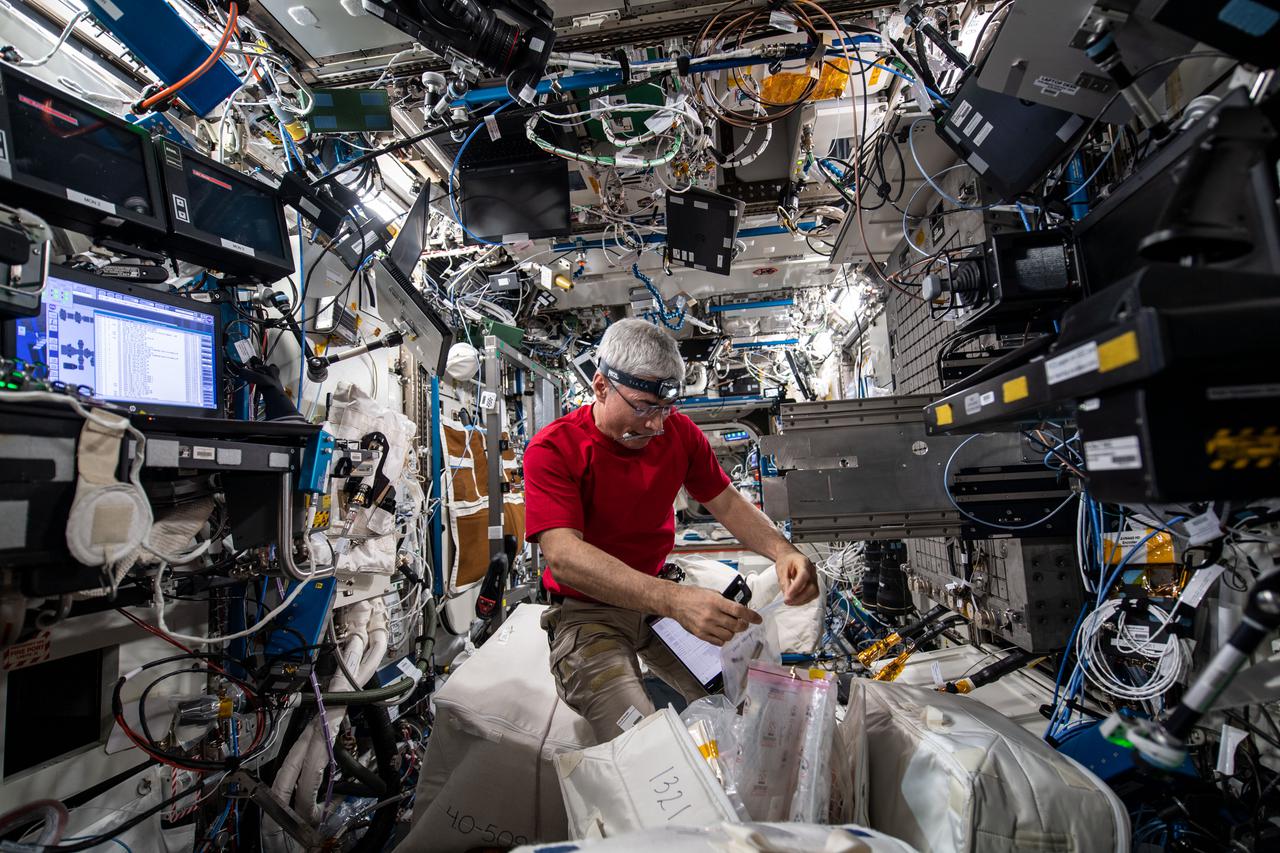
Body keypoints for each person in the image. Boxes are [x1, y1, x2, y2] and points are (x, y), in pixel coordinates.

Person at [523, 319, 820, 743]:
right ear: (601, 386)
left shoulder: (679, 434)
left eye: (666, 408)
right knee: (643, 740)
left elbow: (728, 502)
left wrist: (783, 553)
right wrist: (674, 600)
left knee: (753, 701)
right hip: (588, 615)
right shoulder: (554, 449)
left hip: (657, 603)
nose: (655, 425)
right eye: (644, 406)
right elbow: (565, 558)